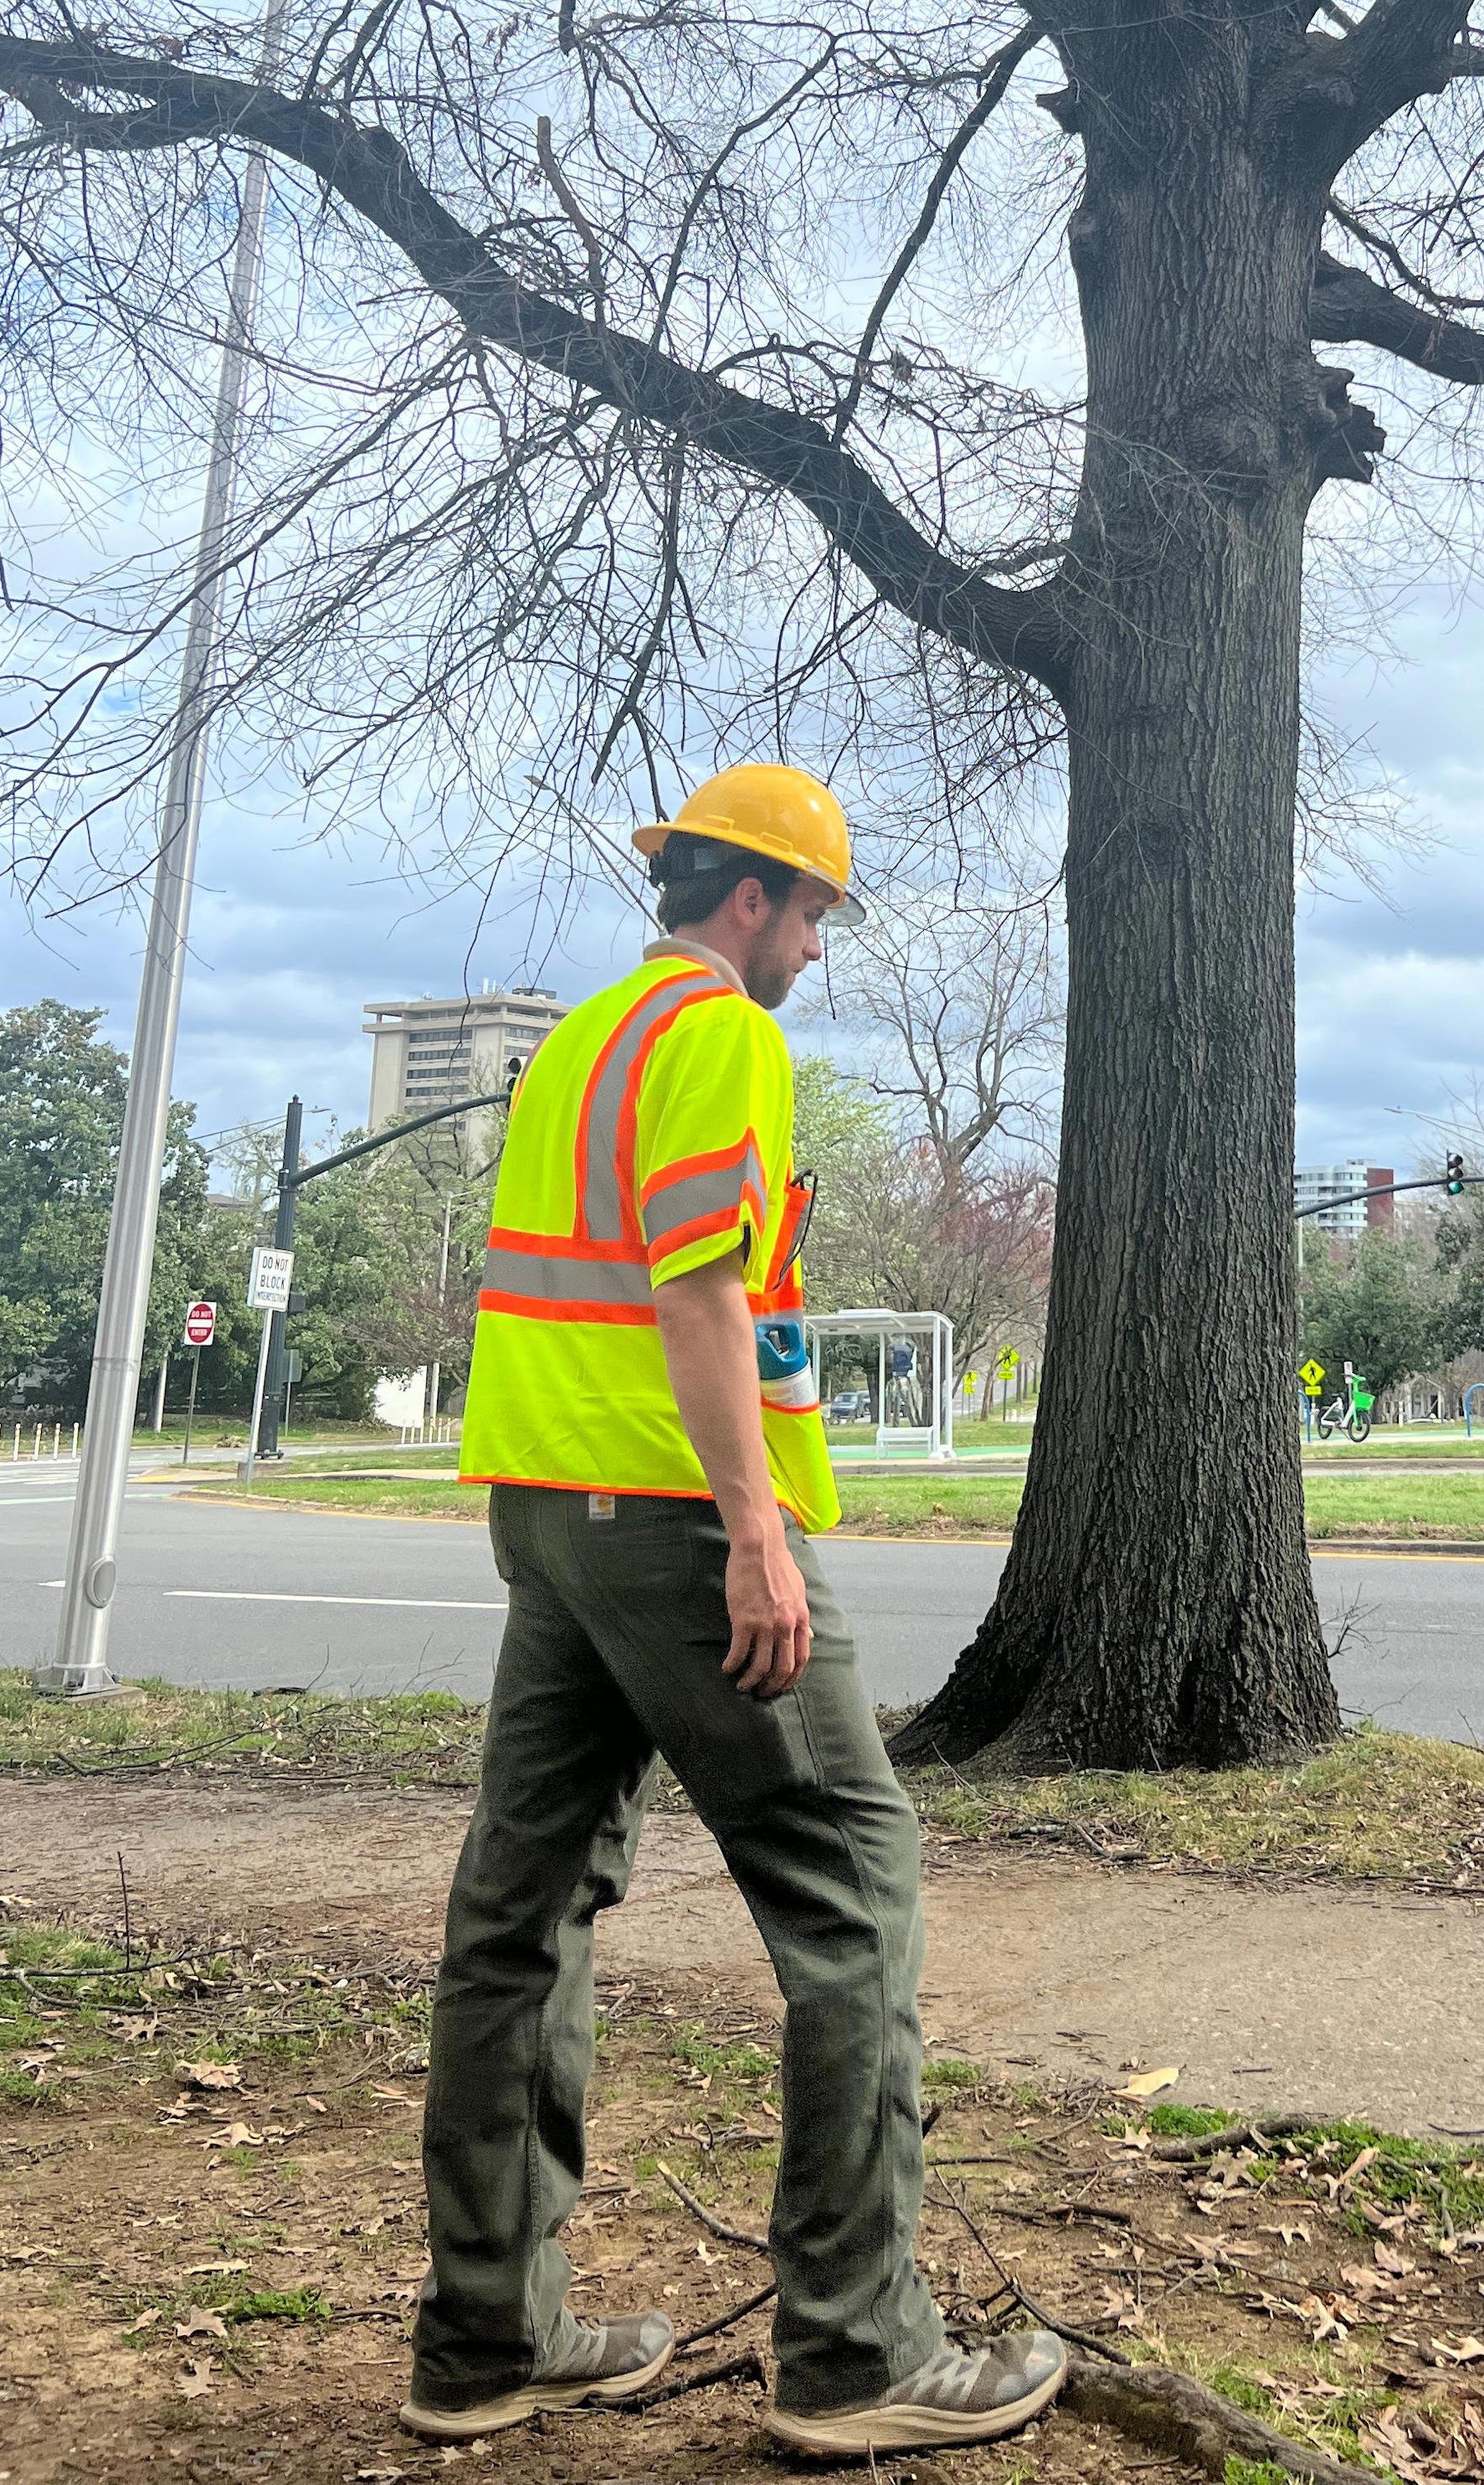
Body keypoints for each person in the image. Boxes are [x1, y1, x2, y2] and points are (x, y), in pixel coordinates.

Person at [403, 763, 1065, 2456]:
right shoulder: (721, 1036)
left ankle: (484, 2336)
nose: (819, 950)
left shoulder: (581, 1041)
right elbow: (695, 1284)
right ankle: (858, 2353)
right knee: (855, 1885)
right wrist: (755, 1535)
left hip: (545, 1517)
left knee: (518, 1914)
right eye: (816, 914)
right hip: (673, 1524)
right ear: (752, 898)